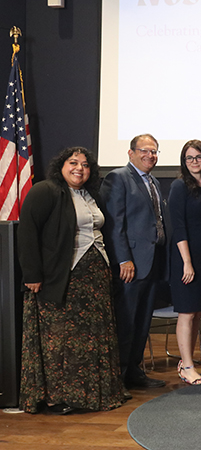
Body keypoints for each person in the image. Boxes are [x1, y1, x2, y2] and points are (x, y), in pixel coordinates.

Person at [18, 147, 126, 414]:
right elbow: (28, 232)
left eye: (85, 165)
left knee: (93, 337)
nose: (80, 168)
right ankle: (58, 397)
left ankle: (95, 394)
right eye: (73, 162)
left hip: (94, 279)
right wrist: (32, 274)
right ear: (61, 165)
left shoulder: (90, 195)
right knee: (62, 339)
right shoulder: (46, 190)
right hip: (61, 278)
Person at [101, 134, 168, 390]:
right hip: (130, 266)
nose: (150, 155)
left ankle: (134, 371)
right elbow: (114, 224)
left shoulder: (153, 181)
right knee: (126, 321)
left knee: (142, 321)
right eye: (144, 151)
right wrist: (124, 258)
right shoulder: (118, 178)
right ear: (131, 153)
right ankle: (117, 376)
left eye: (154, 151)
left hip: (151, 263)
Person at [168, 140, 201, 386]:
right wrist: (187, 262)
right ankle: (187, 366)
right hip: (186, 257)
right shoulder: (180, 186)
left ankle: (186, 363)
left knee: (197, 312)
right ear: (183, 161)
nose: (194, 162)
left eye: (198, 157)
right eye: (189, 158)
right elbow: (178, 227)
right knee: (187, 312)